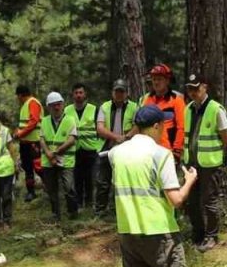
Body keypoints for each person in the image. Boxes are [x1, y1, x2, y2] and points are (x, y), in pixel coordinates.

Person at [109, 105, 199, 267]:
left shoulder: (116, 153)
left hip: (129, 232)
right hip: (161, 233)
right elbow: (176, 199)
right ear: (157, 126)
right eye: (164, 127)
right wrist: (190, 180)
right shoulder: (161, 155)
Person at [184, 74, 227, 252]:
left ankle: (211, 236)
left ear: (204, 87)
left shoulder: (216, 109)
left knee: (209, 201)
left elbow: (226, 138)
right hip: (191, 162)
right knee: (192, 201)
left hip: (210, 164)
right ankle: (197, 234)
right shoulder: (188, 108)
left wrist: (216, 154)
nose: (193, 92)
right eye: (190, 89)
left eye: (196, 88)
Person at [95, 80, 138, 215]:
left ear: (126, 93)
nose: (119, 94)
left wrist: (126, 137)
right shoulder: (105, 107)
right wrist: (116, 137)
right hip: (106, 149)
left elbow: (138, 126)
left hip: (127, 150)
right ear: (112, 92)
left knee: (123, 181)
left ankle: (120, 210)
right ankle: (100, 210)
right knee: (103, 181)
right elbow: (100, 128)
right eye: (117, 91)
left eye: (122, 91)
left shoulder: (134, 107)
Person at [39, 92, 78, 222]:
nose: (56, 107)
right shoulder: (45, 121)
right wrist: (49, 154)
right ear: (48, 107)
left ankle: (73, 212)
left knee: (69, 187)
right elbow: (42, 139)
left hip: (66, 159)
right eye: (53, 105)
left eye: (58, 104)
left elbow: (72, 139)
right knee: (51, 189)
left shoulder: (70, 119)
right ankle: (56, 214)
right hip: (48, 161)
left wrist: (56, 152)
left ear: (62, 105)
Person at [142, 64, 187, 161]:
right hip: (149, 151)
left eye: (159, 79)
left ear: (167, 81)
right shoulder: (148, 100)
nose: (156, 82)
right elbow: (142, 125)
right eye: (154, 79)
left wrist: (177, 150)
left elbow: (181, 127)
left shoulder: (176, 100)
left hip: (168, 151)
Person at [68, 84, 102, 213]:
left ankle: (89, 203)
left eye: (81, 92)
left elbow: (99, 129)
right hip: (75, 150)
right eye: (76, 92)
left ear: (85, 94)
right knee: (77, 178)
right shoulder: (67, 110)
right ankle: (79, 203)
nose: (78, 95)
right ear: (73, 95)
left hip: (91, 149)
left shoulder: (94, 109)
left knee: (90, 178)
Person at [14, 85, 43, 202]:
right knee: (27, 167)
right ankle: (31, 192)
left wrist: (21, 133)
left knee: (38, 166)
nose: (17, 99)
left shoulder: (33, 102)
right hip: (25, 142)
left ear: (20, 95)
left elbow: (33, 121)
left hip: (34, 142)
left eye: (17, 96)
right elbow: (25, 123)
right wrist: (18, 132)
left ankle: (50, 187)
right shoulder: (25, 105)